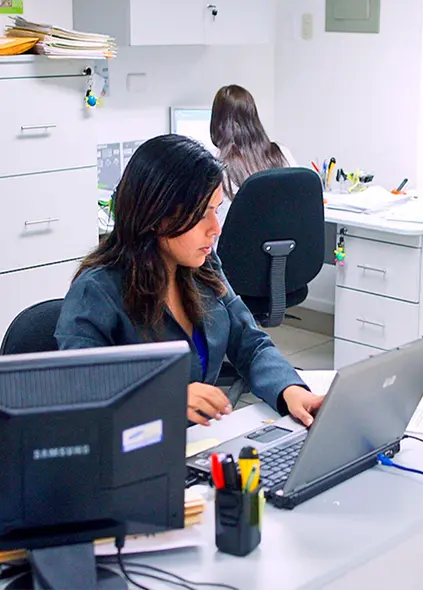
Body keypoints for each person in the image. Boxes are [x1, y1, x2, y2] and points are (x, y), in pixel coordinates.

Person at [55, 134, 324, 428]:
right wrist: (165, 394)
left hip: (196, 442)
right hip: (134, 447)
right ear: (157, 215)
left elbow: (249, 343)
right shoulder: (97, 290)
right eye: (202, 215)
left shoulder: (203, 266)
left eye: (216, 211)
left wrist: (290, 390)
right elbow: (79, 385)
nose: (215, 228)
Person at [209, 84, 299, 228]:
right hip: (280, 240)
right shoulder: (282, 154)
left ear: (217, 122)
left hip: (231, 241)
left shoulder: (213, 162)